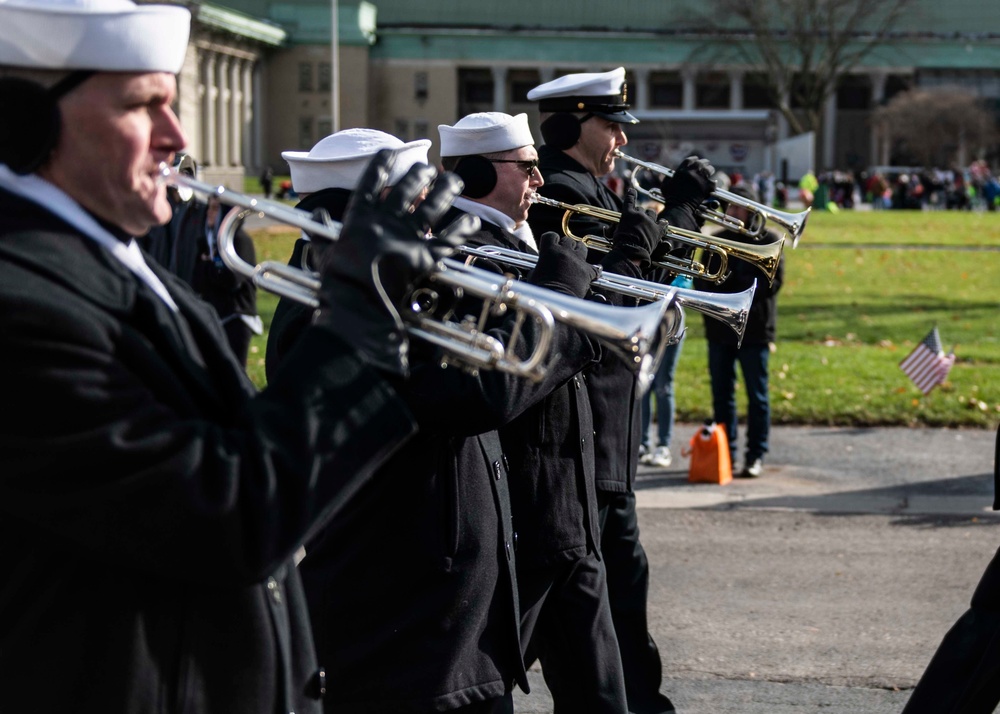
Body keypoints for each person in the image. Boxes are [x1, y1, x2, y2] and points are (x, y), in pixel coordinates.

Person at [0, 0, 475, 710]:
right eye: (144, 106)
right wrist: (355, 324)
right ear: (25, 122)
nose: (177, 135)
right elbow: (227, 514)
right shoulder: (21, 304)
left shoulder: (123, 268)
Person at [267, 126, 607, 713]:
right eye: (417, 206)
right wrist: (557, 304)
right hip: (408, 636)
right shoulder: (328, 313)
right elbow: (479, 394)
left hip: (451, 628)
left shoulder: (392, 295)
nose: (433, 218)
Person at [436, 111, 666, 712]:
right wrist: (575, 300)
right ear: (481, 173)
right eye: (527, 167)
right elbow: (511, 373)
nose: (540, 180)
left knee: (603, 699)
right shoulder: (464, 251)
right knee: (478, 691)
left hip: (572, 514)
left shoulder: (524, 241)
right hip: (524, 524)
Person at [526, 66, 717, 714]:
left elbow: (648, 294)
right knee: (594, 600)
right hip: (583, 427)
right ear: (569, 124)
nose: (619, 140)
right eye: (609, 125)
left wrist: (683, 216)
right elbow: (590, 309)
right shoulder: (556, 193)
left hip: (608, 425)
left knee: (606, 596)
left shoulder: (595, 191)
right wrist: (642, 247)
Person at [694, 183, 784, 479]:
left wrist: (734, 289)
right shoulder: (716, 240)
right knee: (722, 395)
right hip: (720, 329)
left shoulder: (769, 240)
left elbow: (771, 285)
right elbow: (703, 282)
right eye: (730, 206)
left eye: (738, 207)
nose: (732, 212)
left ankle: (756, 455)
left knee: (757, 396)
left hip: (755, 329)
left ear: (752, 210)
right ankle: (726, 453)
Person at [191, 194, 262, 366]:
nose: (209, 212)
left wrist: (208, 266)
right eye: (209, 207)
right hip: (217, 315)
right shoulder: (207, 241)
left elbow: (233, 280)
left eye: (215, 208)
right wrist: (212, 268)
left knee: (235, 370)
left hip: (237, 317)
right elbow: (197, 280)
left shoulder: (239, 240)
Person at [639, 276, 692, 469]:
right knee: (643, 382)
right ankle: (642, 442)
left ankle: (663, 446)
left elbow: (686, 282)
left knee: (663, 385)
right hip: (646, 313)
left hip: (671, 316)